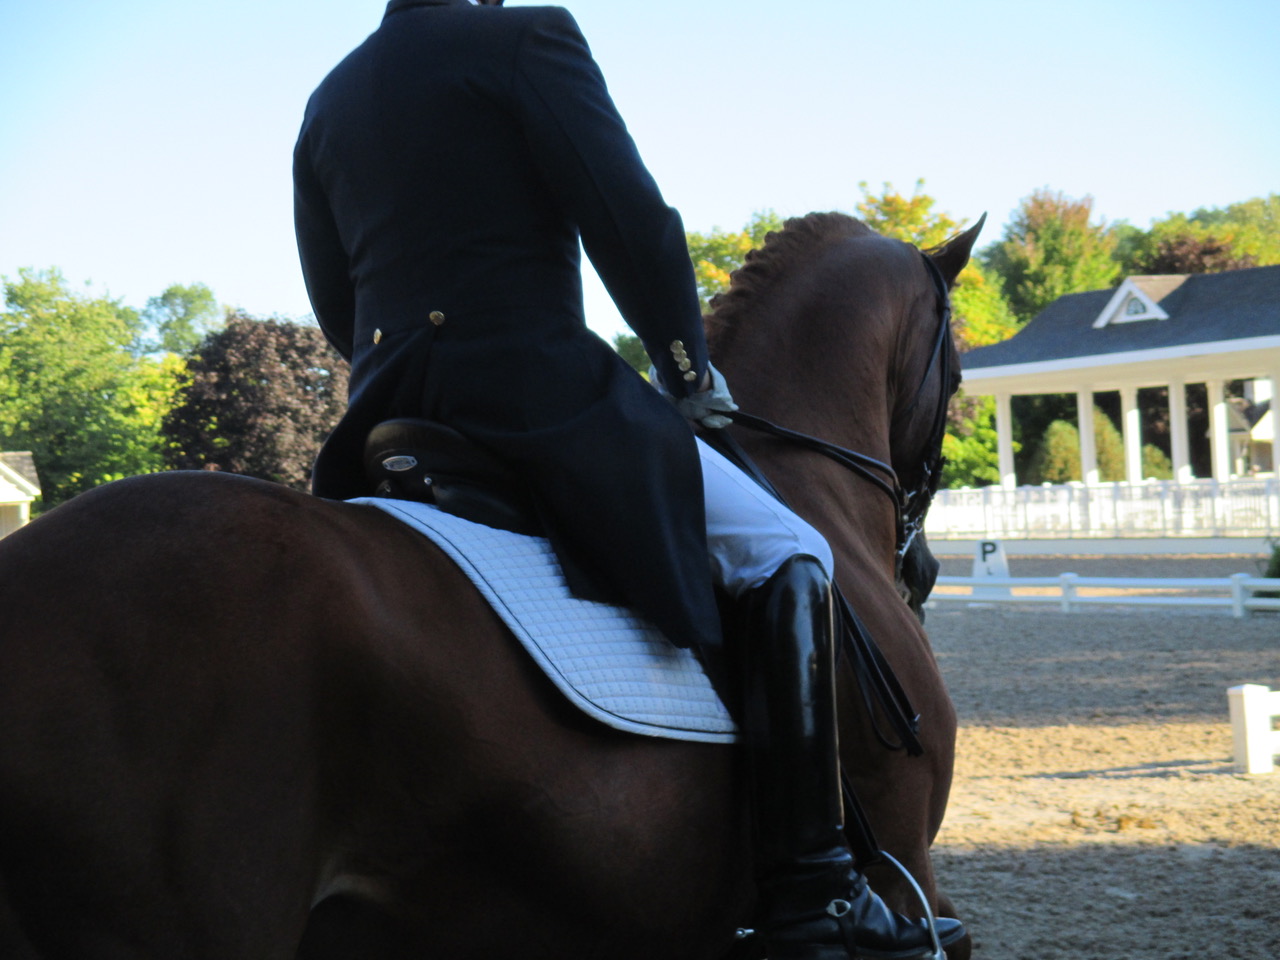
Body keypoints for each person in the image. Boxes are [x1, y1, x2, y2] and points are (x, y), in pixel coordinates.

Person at [293, 2, 963, 957]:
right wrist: (687, 374)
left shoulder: (332, 97)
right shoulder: (525, 39)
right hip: (535, 400)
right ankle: (812, 892)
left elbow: (333, 295)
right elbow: (629, 219)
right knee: (790, 552)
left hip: (392, 416)